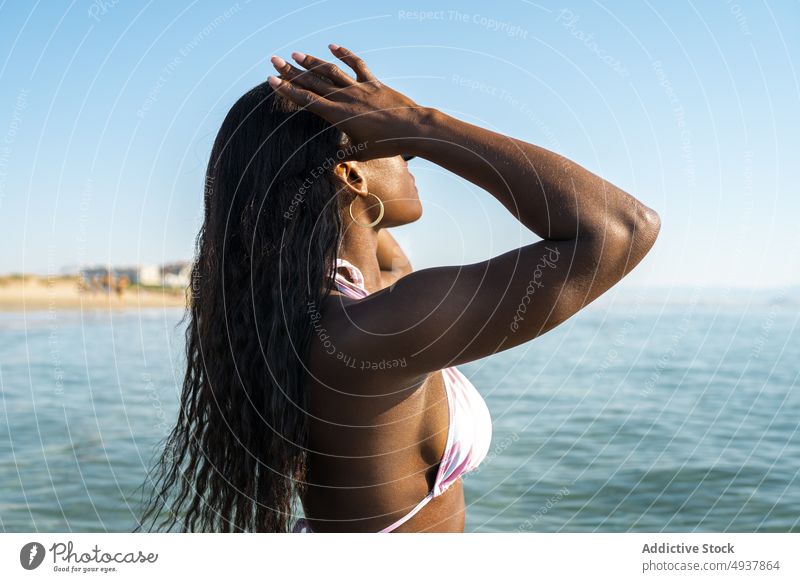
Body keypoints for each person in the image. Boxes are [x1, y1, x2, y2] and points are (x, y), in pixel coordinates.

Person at [136, 45, 660, 533]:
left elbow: (376, 248)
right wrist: (421, 123)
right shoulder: (370, 331)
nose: (413, 158)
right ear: (352, 177)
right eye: (399, 150)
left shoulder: (327, 304)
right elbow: (621, 228)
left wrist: (369, 145)